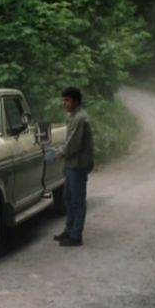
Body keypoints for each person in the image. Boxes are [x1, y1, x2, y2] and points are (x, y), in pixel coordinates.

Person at [54, 86, 94, 246]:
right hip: (71, 164)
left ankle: (76, 235)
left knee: (77, 200)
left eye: (67, 100)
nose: (64, 103)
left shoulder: (80, 118)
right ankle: (69, 230)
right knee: (67, 198)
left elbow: (73, 144)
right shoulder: (73, 116)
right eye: (63, 100)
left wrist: (59, 152)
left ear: (76, 101)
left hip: (78, 165)